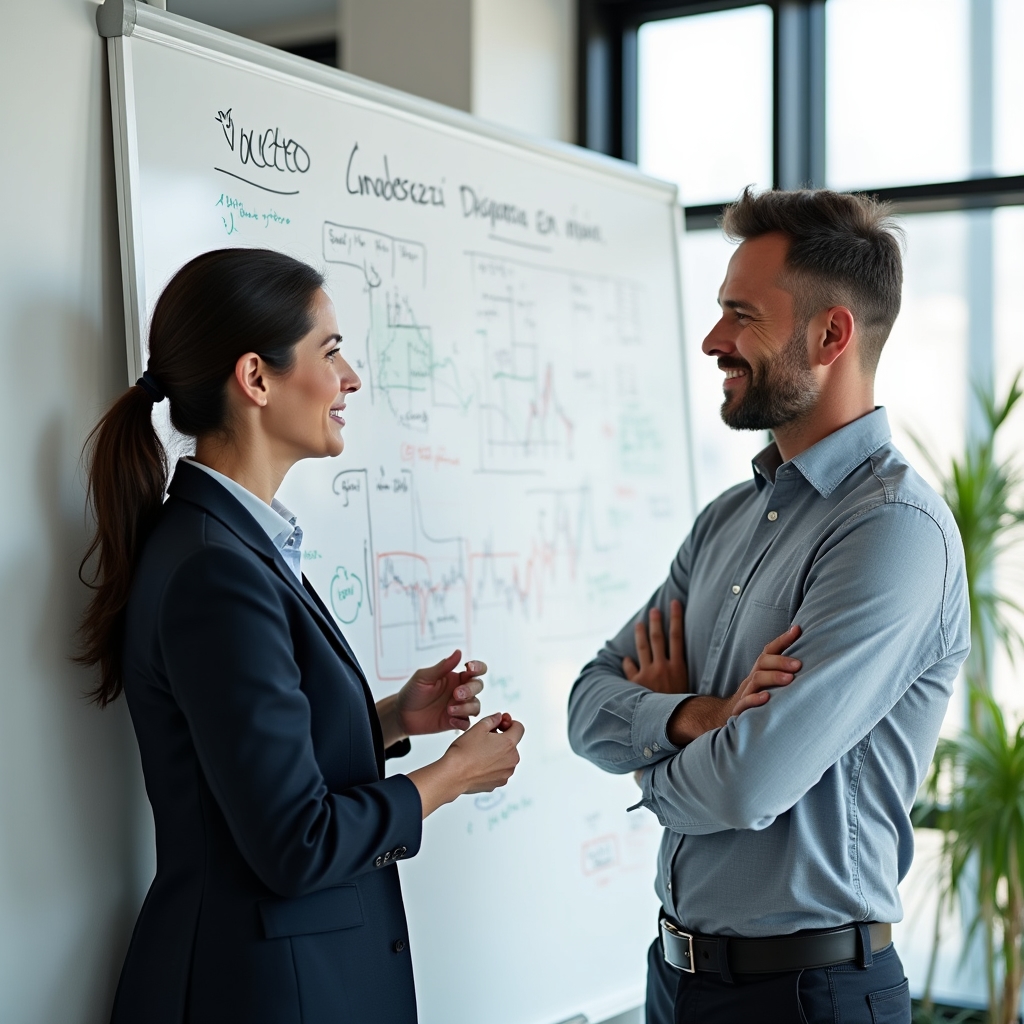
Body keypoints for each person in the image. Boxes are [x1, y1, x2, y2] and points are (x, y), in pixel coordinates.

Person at [77, 247, 525, 1024]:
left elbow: (243, 764)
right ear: (255, 379)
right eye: (330, 351)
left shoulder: (227, 544)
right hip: (265, 990)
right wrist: (451, 776)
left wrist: (387, 720)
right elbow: (297, 842)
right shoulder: (216, 569)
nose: (350, 378)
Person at [567, 188, 969, 1024]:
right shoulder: (727, 519)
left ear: (831, 335)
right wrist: (696, 716)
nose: (714, 341)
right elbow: (584, 705)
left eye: (740, 316)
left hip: (809, 994)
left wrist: (649, 756)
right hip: (678, 979)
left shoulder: (892, 532)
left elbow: (749, 784)